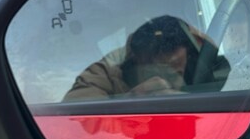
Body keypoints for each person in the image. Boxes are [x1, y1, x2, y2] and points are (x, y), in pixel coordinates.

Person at [63, 15, 228, 101]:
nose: (167, 84)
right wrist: (132, 102)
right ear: (137, 59)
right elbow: (75, 122)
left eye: (178, 72)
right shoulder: (105, 74)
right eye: (162, 72)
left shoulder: (199, 62)